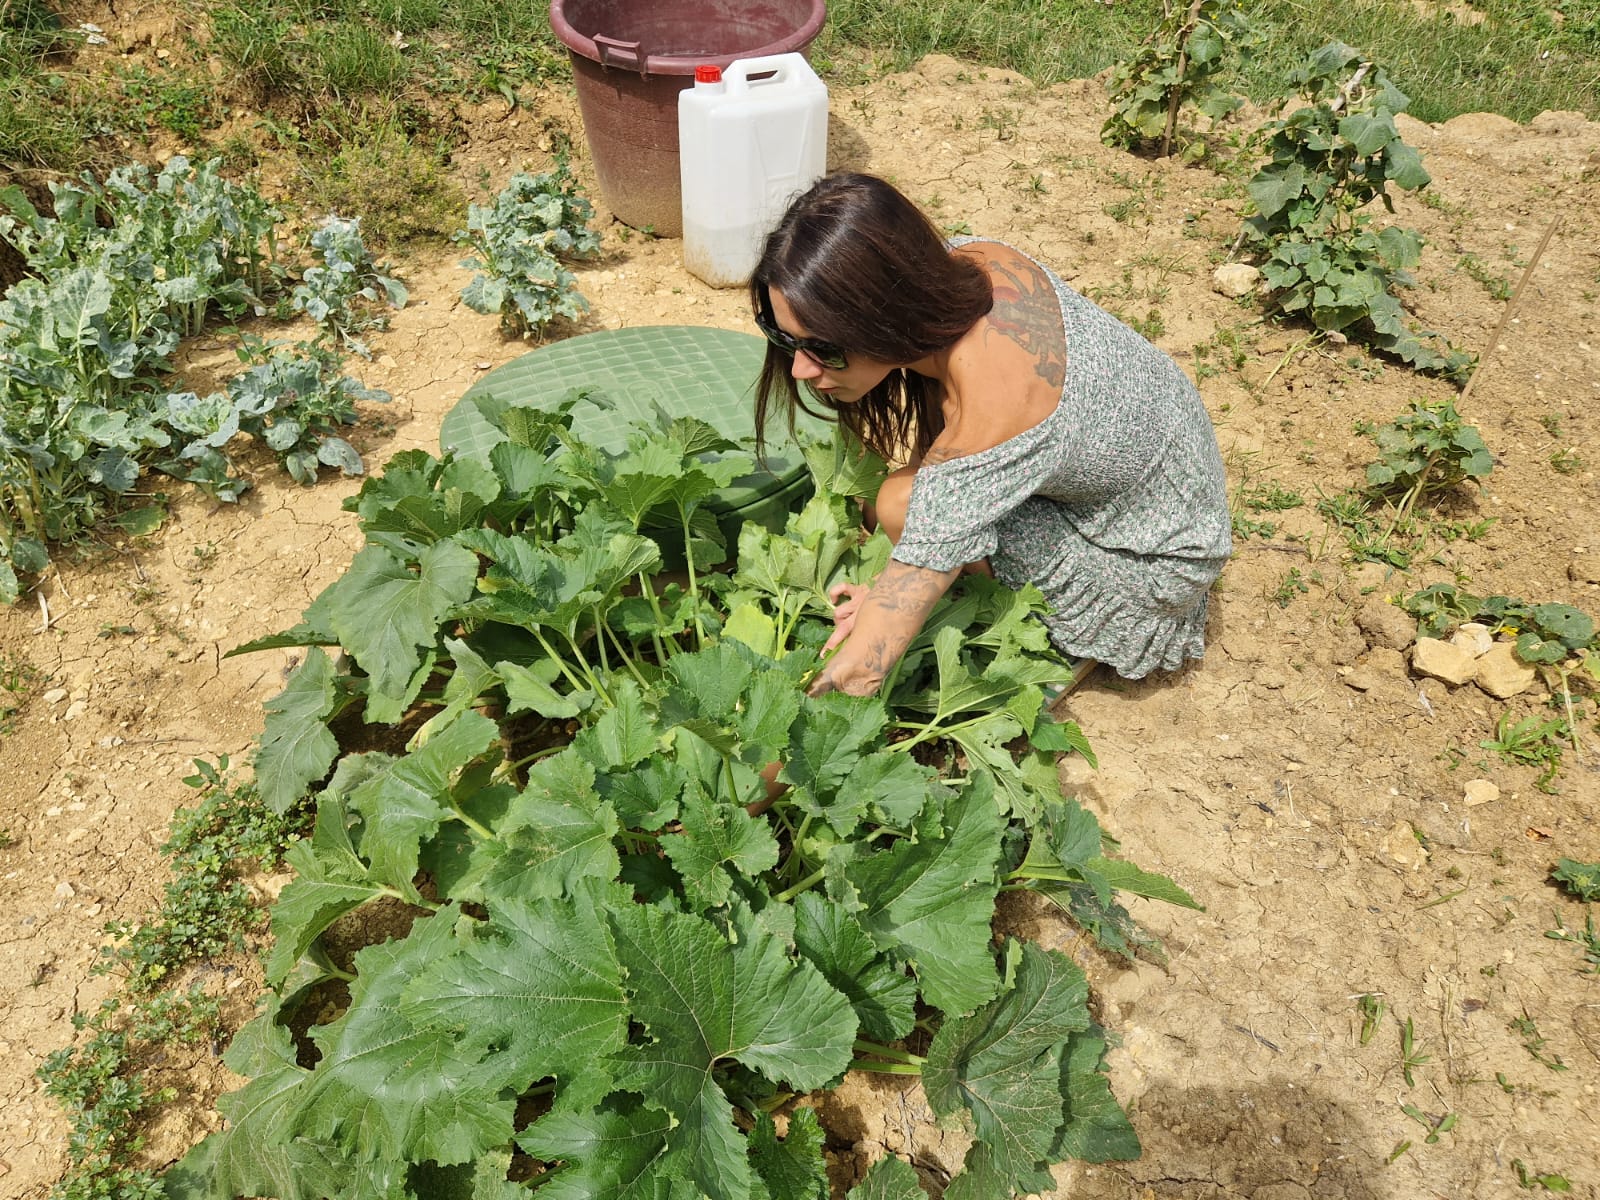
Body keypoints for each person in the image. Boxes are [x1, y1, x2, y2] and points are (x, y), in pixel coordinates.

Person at [749, 172, 1231, 699]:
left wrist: (877, 626)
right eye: (782, 337)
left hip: (1145, 564)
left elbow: (865, 666)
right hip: (1153, 496)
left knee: (899, 503)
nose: (799, 370)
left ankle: (1058, 637)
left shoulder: (1000, 401)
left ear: (881, 318)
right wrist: (891, 589)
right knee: (907, 505)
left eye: (825, 347)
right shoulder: (961, 266)